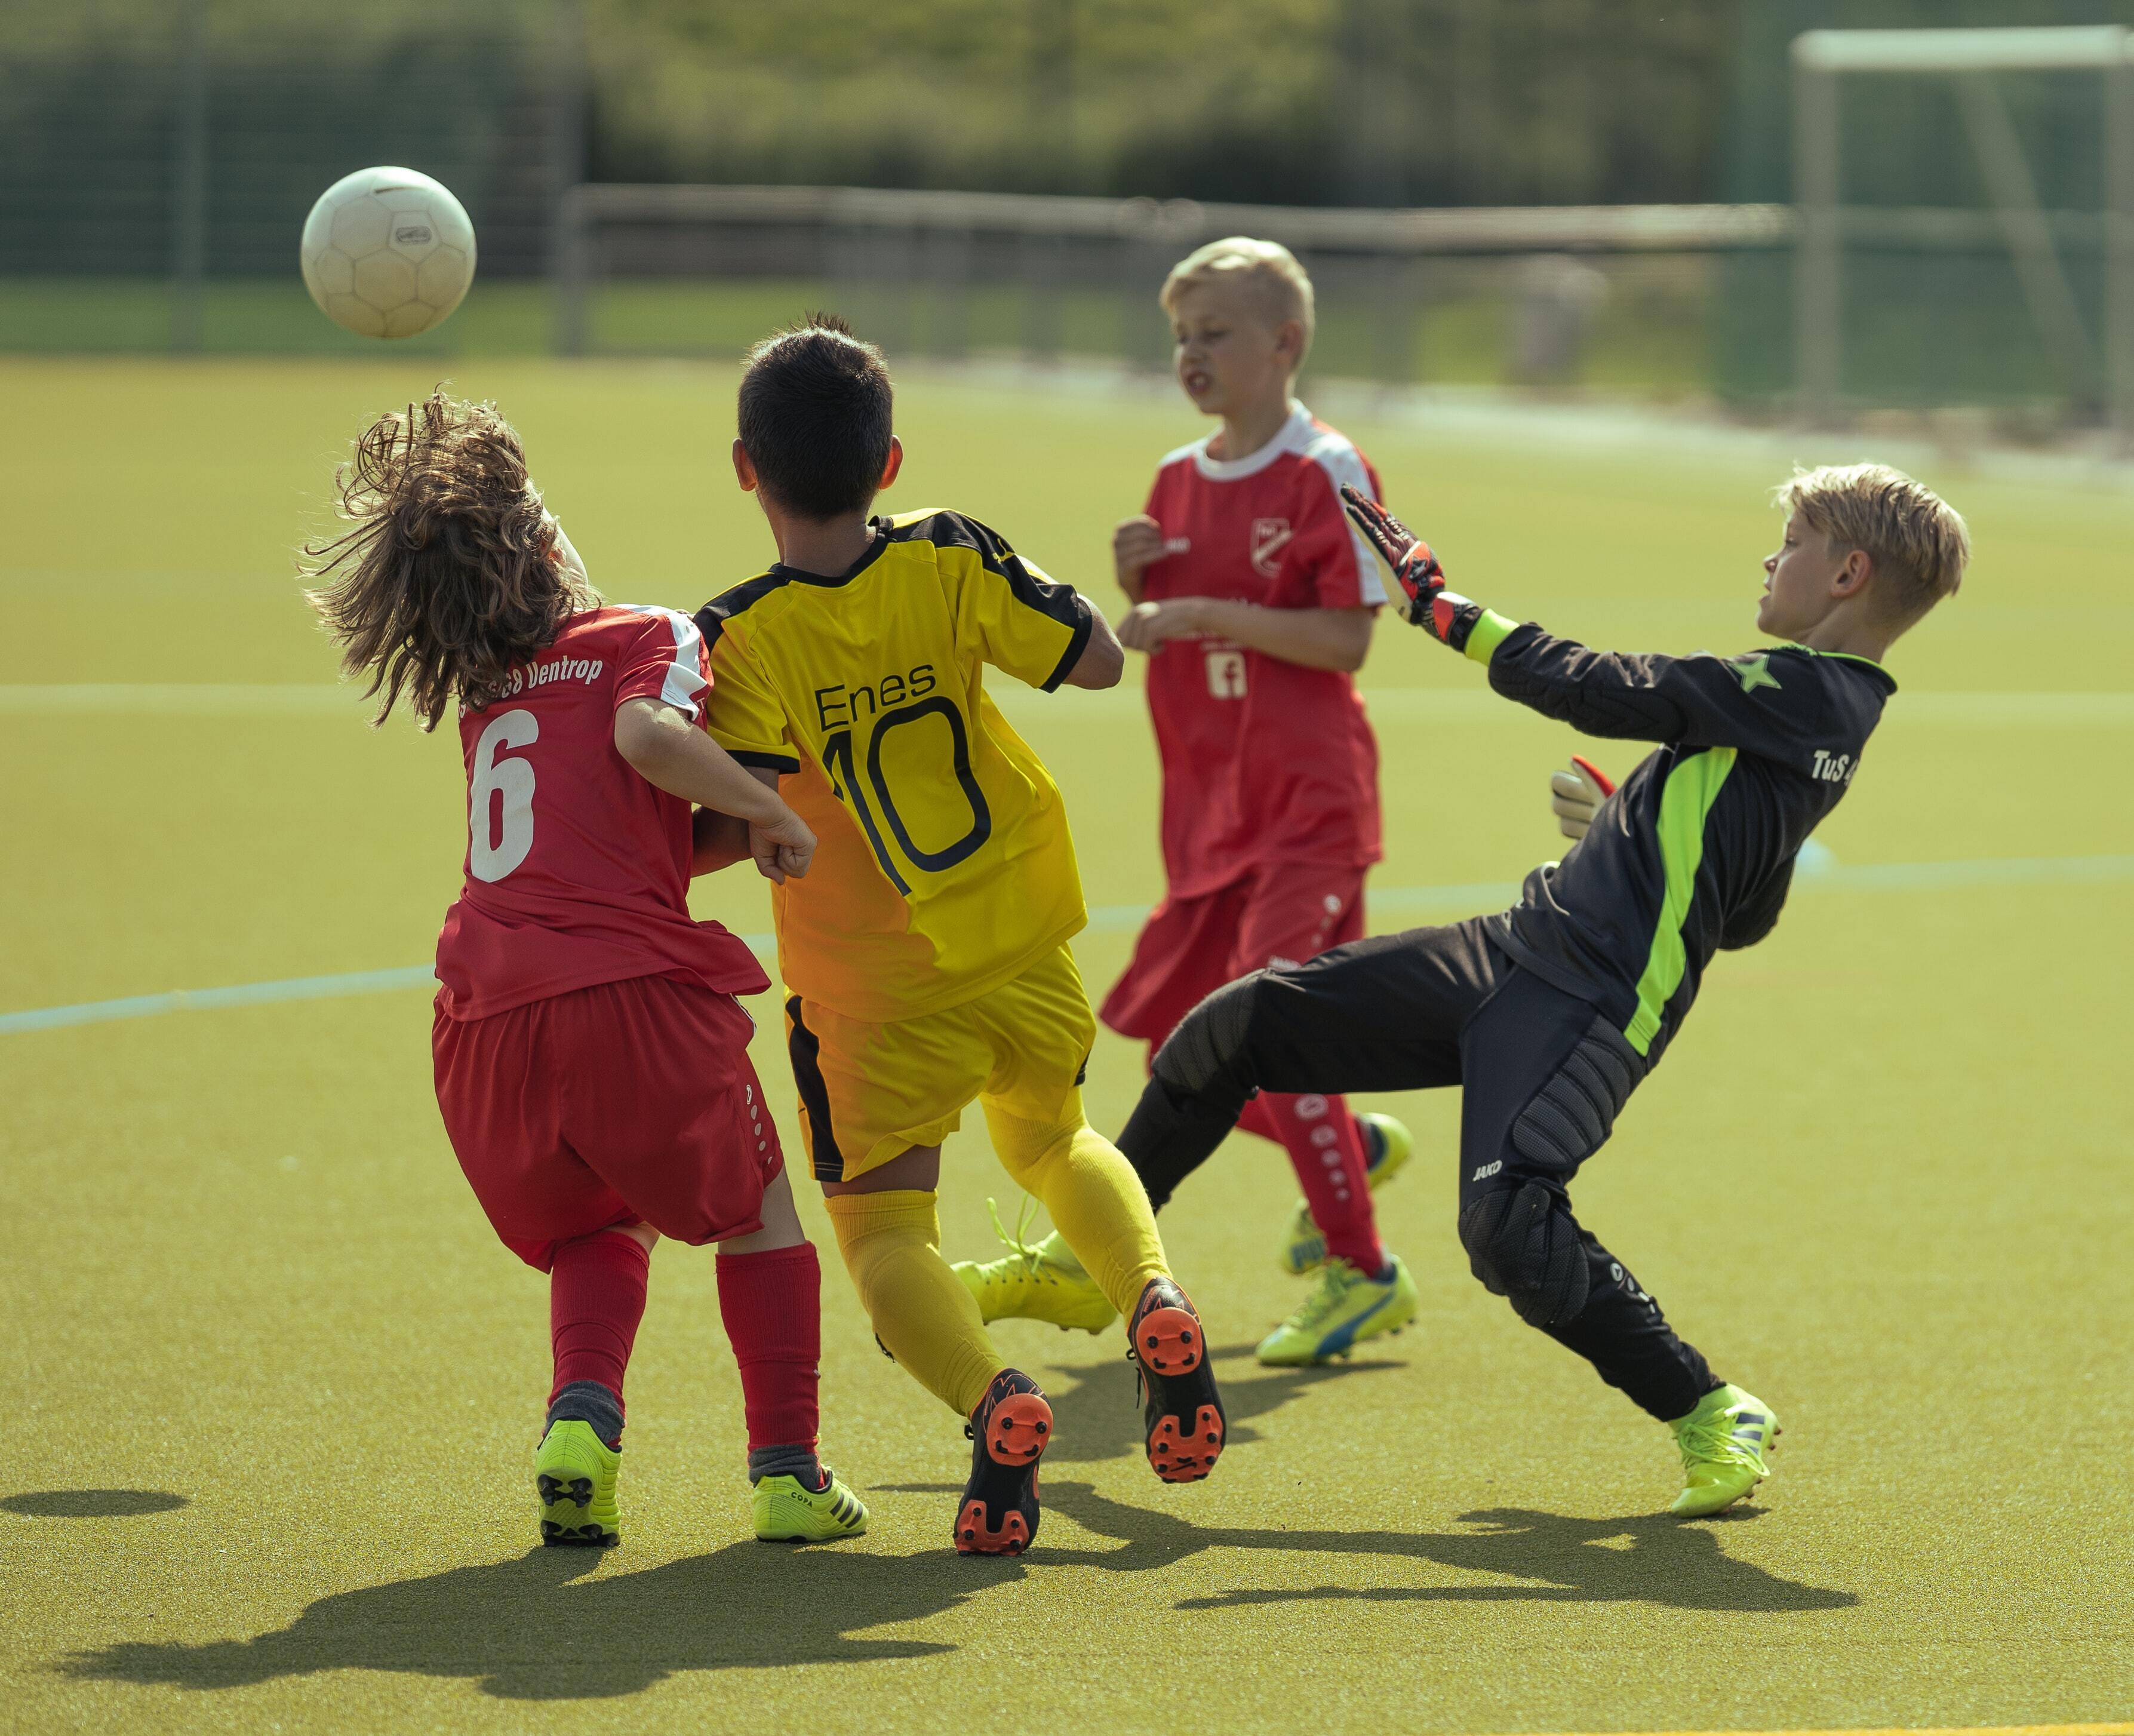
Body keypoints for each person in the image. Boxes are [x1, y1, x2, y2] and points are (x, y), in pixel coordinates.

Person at [1113, 462, 1969, 1516]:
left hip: (1587, 1006)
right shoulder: (1807, 717)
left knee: (1508, 1228)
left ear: (1846, 572)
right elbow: (1747, 912)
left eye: (1789, 540)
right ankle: (1096, 1248)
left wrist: (1441, 609)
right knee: (1237, 1025)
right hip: (1510, 951)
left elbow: (1603, 688)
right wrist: (1629, 830)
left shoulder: (1809, 691)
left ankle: (1708, 1409)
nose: (1768, 557)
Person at [694, 316, 1225, 1558]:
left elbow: (746, 819)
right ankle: (1152, 1291)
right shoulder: (945, 551)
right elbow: (1094, 663)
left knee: (883, 1229)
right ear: (888, 465)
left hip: (868, 981)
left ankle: (998, 1400)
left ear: (744, 469)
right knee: (1053, 1136)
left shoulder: (741, 634)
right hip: (1022, 926)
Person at [305, 390, 868, 1550]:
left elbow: (623, 839)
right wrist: (771, 804)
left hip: (480, 1026)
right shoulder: (643, 636)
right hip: (628, 1004)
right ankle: (787, 1474)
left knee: (595, 1223)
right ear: (541, 549)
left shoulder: (488, 693)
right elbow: (644, 742)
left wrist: (734, 828)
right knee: (761, 1212)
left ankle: (581, 1426)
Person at [957, 236, 1417, 1369]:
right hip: (1210, 817)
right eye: (1181, 335)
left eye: (1214, 334)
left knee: (1265, 1032)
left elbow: (1348, 636)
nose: (1190, 354)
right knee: (1179, 1043)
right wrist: (1144, 589)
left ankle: (1363, 1272)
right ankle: (1343, 1146)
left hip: (1307, 809)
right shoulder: (1175, 476)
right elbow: (1180, 631)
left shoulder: (1328, 469)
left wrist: (1200, 608)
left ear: (1285, 344)